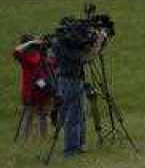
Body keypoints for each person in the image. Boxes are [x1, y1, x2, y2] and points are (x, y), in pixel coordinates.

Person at [52, 27, 102, 158]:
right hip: (71, 80)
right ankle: (71, 149)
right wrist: (99, 41)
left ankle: (78, 144)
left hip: (69, 79)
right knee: (73, 115)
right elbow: (88, 58)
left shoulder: (59, 44)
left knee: (79, 114)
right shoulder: (65, 48)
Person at [12, 34, 54, 142]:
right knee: (28, 116)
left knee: (44, 115)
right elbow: (16, 51)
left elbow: (53, 63)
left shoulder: (41, 55)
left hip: (43, 89)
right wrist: (31, 43)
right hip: (30, 90)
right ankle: (24, 140)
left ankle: (44, 139)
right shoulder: (24, 56)